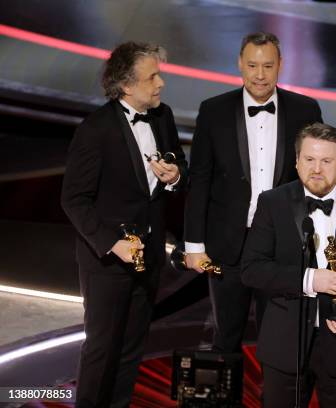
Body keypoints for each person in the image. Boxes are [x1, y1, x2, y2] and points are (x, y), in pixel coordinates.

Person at [61, 41, 187, 407]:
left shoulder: (162, 116)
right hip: (107, 262)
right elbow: (73, 199)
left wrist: (176, 174)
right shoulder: (95, 129)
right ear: (127, 85)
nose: (161, 83)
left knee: (133, 349)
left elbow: (180, 165)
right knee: (102, 350)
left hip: (148, 257)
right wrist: (112, 244)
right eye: (153, 77)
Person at [183, 32, 322, 353]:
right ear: (239, 65)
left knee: (279, 339)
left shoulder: (305, 110)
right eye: (252, 65)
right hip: (227, 245)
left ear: (281, 66)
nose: (260, 75)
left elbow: (316, 180)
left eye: (268, 66)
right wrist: (193, 245)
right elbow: (200, 179)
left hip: (281, 246)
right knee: (226, 336)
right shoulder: (214, 110)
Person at [242, 123, 336, 407]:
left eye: (326, 161)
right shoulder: (272, 203)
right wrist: (310, 279)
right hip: (284, 346)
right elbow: (252, 269)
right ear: (297, 162)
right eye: (309, 159)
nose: (317, 169)